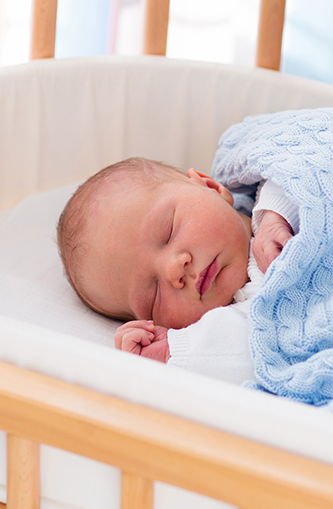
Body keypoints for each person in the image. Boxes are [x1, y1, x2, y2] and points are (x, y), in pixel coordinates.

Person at [57, 157, 296, 379]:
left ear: (210, 186)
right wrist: (173, 349)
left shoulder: (272, 194)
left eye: (168, 231)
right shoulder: (230, 328)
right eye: (153, 295)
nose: (174, 271)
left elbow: (306, 162)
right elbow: (262, 357)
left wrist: (275, 215)